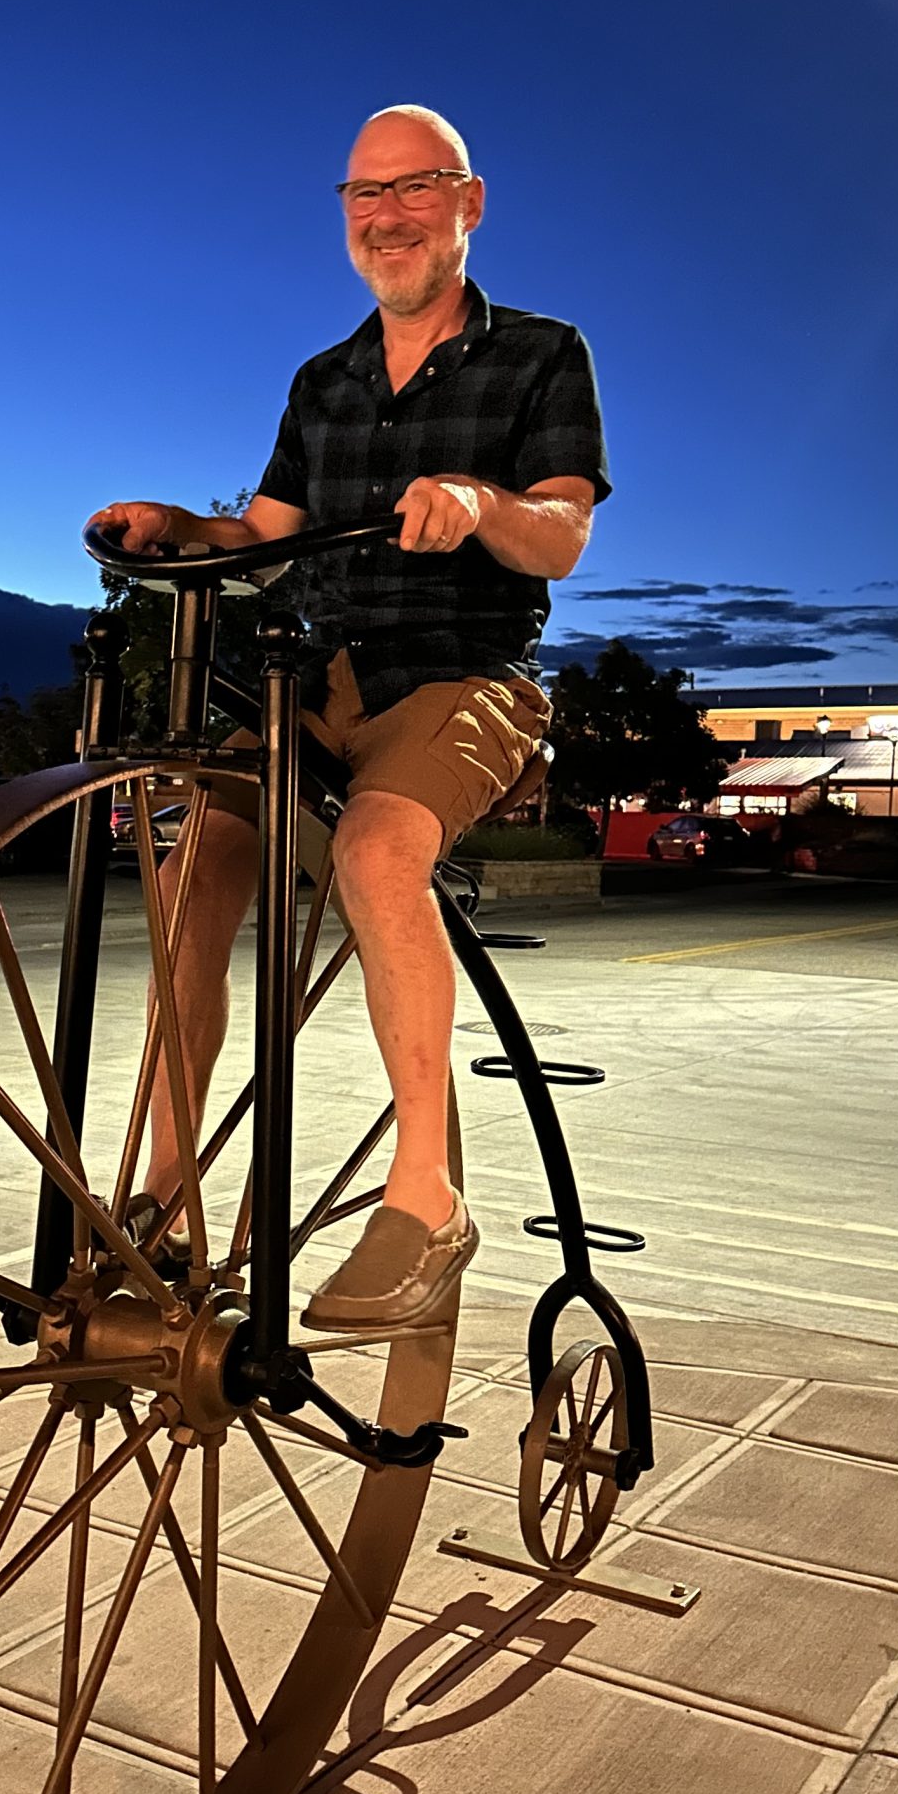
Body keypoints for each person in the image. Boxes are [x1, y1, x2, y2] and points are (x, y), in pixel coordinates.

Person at [89, 103, 610, 1330]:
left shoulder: (541, 354)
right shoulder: (321, 383)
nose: (388, 216)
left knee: (381, 854)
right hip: (316, 677)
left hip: (463, 677)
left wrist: (480, 502)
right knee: (195, 855)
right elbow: (262, 542)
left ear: (468, 205)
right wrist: (178, 529)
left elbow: (564, 531)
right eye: (364, 195)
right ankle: (167, 1191)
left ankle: (426, 1200)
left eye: (416, 188)